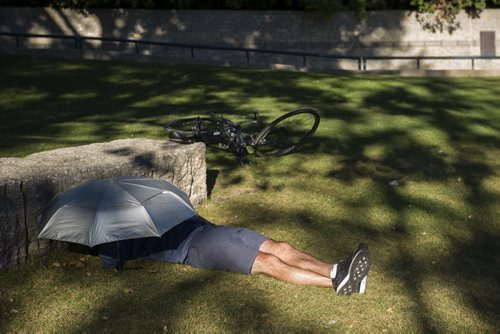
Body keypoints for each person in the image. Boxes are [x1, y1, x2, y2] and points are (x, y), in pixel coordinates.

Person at [97, 215, 372, 295]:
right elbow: (111, 262)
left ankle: (336, 269)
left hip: (211, 230)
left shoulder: (147, 205)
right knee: (269, 263)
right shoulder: (109, 234)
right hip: (196, 248)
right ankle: (337, 284)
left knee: (282, 247)